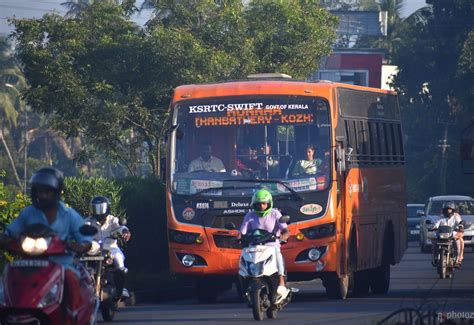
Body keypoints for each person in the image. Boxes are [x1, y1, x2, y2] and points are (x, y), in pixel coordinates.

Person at [0, 167, 92, 324]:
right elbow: (11, 231)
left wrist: (82, 245)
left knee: (71, 278)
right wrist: (4, 238)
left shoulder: (68, 214)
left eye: (47, 191)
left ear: (56, 192)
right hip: (27, 263)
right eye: (39, 191)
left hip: (62, 263)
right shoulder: (28, 213)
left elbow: (84, 236)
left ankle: (73, 315)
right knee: (8, 273)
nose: (42, 195)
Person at [238, 189, 290, 303]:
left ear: (269, 203)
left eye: (264, 203)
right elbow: (242, 232)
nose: (261, 206)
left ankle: (281, 282)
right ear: (253, 204)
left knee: (278, 255)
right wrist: (237, 238)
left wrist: (283, 236)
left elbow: (285, 230)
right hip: (254, 246)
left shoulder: (275, 213)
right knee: (242, 258)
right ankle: (244, 285)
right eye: (258, 204)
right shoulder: (250, 215)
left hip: (271, 245)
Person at [85, 196, 131, 298]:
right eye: (95, 208)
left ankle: (121, 288)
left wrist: (124, 232)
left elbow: (120, 227)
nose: (98, 211)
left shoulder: (112, 220)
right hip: (95, 248)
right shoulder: (88, 221)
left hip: (111, 247)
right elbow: (81, 229)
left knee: (119, 262)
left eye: (100, 208)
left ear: (106, 208)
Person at [432, 201, 464, 266]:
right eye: (446, 209)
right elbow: (436, 224)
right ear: (443, 210)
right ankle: (435, 257)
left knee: (457, 242)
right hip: (441, 236)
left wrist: (460, 226)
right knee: (434, 242)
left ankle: (457, 259)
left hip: (452, 235)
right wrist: (434, 227)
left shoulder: (455, 217)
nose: (447, 211)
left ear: (452, 210)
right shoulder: (441, 218)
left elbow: (460, 223)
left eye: (449, 209)